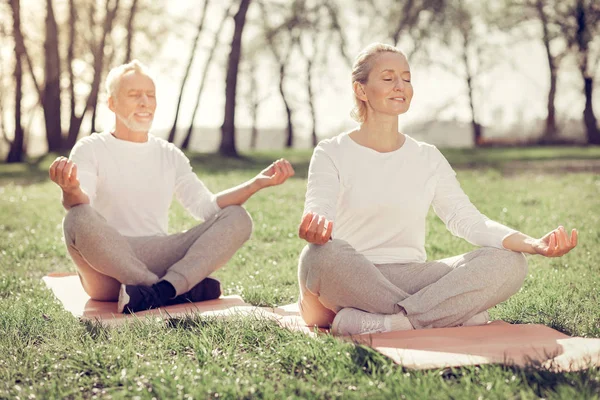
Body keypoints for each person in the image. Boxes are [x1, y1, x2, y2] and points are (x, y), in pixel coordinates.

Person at [296, 43, 578, 336]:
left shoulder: (426, 156)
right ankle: (446, 315)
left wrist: (532, 244)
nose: (400, 86)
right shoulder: (332, 151)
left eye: (406, 78)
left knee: (509, 261)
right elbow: (319, 207)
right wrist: (315, 226)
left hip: (413, 277)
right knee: (319, 255)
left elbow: (466, 219)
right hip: (351, 276)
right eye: (388, 78)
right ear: (361, 90)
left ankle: (393, 323)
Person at [49, 60, 295, 313]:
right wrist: (70, 189)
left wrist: (255, 184)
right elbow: (80, 201)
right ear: (112, 103)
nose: (144, 102)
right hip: (107, 267)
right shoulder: (90, 148)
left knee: (238, 217)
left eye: (150, 95)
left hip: (160, 254)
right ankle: (172, 290)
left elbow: (206, 207)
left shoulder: (169, 154)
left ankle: (159, 292)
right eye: (134, 95)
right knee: (76, 218)